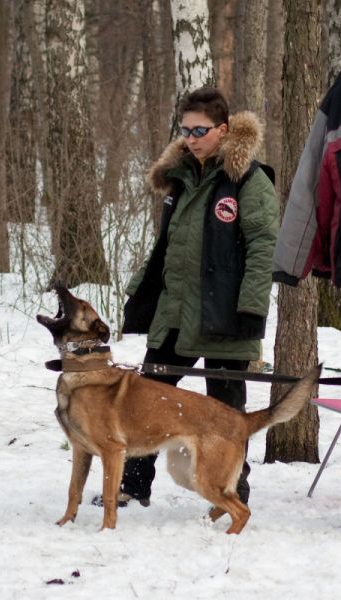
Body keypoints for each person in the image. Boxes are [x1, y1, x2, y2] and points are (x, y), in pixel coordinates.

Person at [118, 87, 279, 507]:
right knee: (145, 399)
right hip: (176, 314)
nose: (191, 138)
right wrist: (141, 293)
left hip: (225, 314)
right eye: (185, 130)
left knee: (226, 413)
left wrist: (251, 310)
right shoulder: (182, 178)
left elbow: (263, 247)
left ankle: (232, 493)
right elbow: (167, 247)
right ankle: (132, 486)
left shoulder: (248, 180)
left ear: (223, 130)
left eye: (200, 130)